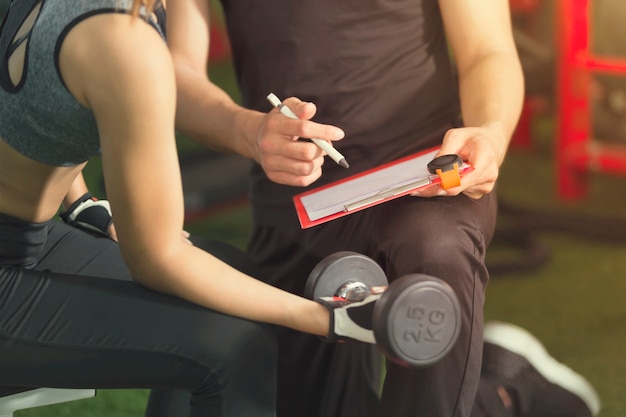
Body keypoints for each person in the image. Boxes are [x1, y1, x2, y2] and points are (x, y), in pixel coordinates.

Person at [165, 0, 602, 416]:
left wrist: (490, 132)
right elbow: (179, 74)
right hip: (297, 199)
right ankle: (501, 392)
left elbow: (487, 50)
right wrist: (251, 131)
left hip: (423, 173)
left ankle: (506, 389)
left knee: (437, 253)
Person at [0, 0, 396, 415]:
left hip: (32, 236)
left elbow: (38, 98)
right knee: (234, 347)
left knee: (233, 274)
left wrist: (81, 202)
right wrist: (327, 319)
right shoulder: (124, 42)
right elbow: (157, 259)